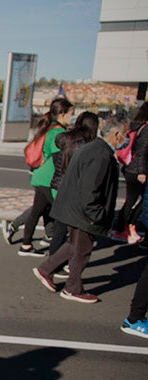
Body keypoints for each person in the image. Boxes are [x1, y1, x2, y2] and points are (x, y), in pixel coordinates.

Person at [33, 115, 128, 303]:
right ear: (116, 134)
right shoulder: (100, 154)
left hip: (74, 207)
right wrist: (96, 214)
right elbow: (90, 189)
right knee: (82, 250)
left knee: (73, 245)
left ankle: (46, 269)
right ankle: (73, 288)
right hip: (83, 211)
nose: (126, 139)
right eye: (125, 134)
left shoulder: (93, 148)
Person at [18, 97, 73, 256]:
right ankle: (57, 257)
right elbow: (60, 160)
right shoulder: (59, 133)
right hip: (50, 180)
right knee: (63, 217)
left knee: (36, 212)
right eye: (70, 113)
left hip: (40, 177)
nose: (72, 117)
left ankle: (26, 245)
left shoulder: (49, 129)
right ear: (62, 114)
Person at [45, 112, 100, 256]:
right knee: (69, 228)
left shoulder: (67, 138)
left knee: (61, 227)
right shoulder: (86, 145)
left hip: (58, 184)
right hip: (72, 188)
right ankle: (53, 263)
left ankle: (54, 259)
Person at [111, 101, 148, 243]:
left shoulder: (134, 126)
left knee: (131, 200)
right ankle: (126, 226)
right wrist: (142, 172)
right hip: (138, 170)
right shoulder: (145, 129)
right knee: (142, 200)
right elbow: (143, 152)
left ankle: (122, 227)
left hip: (129, 167)